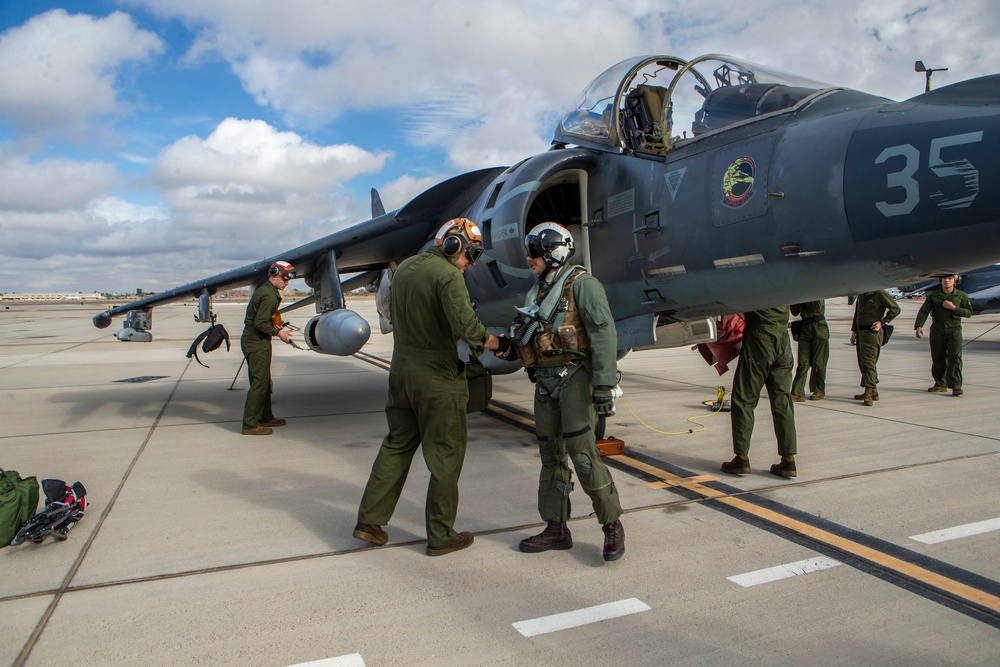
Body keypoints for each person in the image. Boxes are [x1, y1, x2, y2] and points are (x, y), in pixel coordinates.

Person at [354, 218, 501, 557]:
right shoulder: (448, 276)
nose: (468, 265)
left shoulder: (404, 269)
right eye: (469, 255)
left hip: (402, 375)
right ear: (452, 245)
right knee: (445, 456)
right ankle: (441, 535)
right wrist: (492, 342)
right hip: (437, 379)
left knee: (397, 444)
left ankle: (370, 521)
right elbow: (465, 324)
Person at [494, 222, 625, 562]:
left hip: (574, 380)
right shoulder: (538, 293)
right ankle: (556, 527)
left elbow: (603, 333)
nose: (529, 259)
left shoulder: (583, 286)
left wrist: (603, 386)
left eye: (534, 253)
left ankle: (611, 524)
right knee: (551, 458)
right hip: (546, 383)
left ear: (554, 254)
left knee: (582, 456)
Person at [721, 308, 798, 478]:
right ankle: (788, 459)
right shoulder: (785, 282)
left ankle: (741, 457)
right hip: (783, 340)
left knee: (744, 399)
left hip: (760, 339)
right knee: (782, 401)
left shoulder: (759, 282)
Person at [240, 260, 294, 435]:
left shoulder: (267, 291)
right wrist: (279, 334)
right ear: (274, 275)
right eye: (284, 279)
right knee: (259, 383)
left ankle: (265, 416)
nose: (286, 283)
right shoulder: (269, 295)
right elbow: (260, 323)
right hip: (256, 341)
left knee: (264, 381)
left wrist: (274, 326)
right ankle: (250, 424)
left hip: (256, 339)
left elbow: (262, 320)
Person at [914, 275, 972, 396]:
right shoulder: (933, 297)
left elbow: (968, 312)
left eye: (950, 278)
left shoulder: (961, 296)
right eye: (944, 278)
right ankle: (940, 384)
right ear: (941, 280)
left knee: (955, 358)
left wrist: (954, 308)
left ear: (955, 281)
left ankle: (956, 386)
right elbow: (924, 311)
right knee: (938, 358)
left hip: (954, 330)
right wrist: (919, 326)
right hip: (937, 330)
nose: (947, 280)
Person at [850, 290, 901, 406]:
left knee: (869, 363)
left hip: (872, 333)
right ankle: (873, 391)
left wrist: (882, 322)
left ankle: (869, 392)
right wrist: (854, 331)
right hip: (861, 332)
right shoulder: (862, 294)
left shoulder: (879, 293)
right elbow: (857, 313)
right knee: (863, 362)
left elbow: (895, 309)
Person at [789, 301, 829, 402]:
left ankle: (818, 389)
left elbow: (816, 305)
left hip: (818, 327)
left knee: (819, 362)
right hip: (805, 328)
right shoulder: (800, 294)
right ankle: (797, 392)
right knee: (803, 362)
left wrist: (802, 296)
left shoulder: (815, 289)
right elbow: (794, 312)